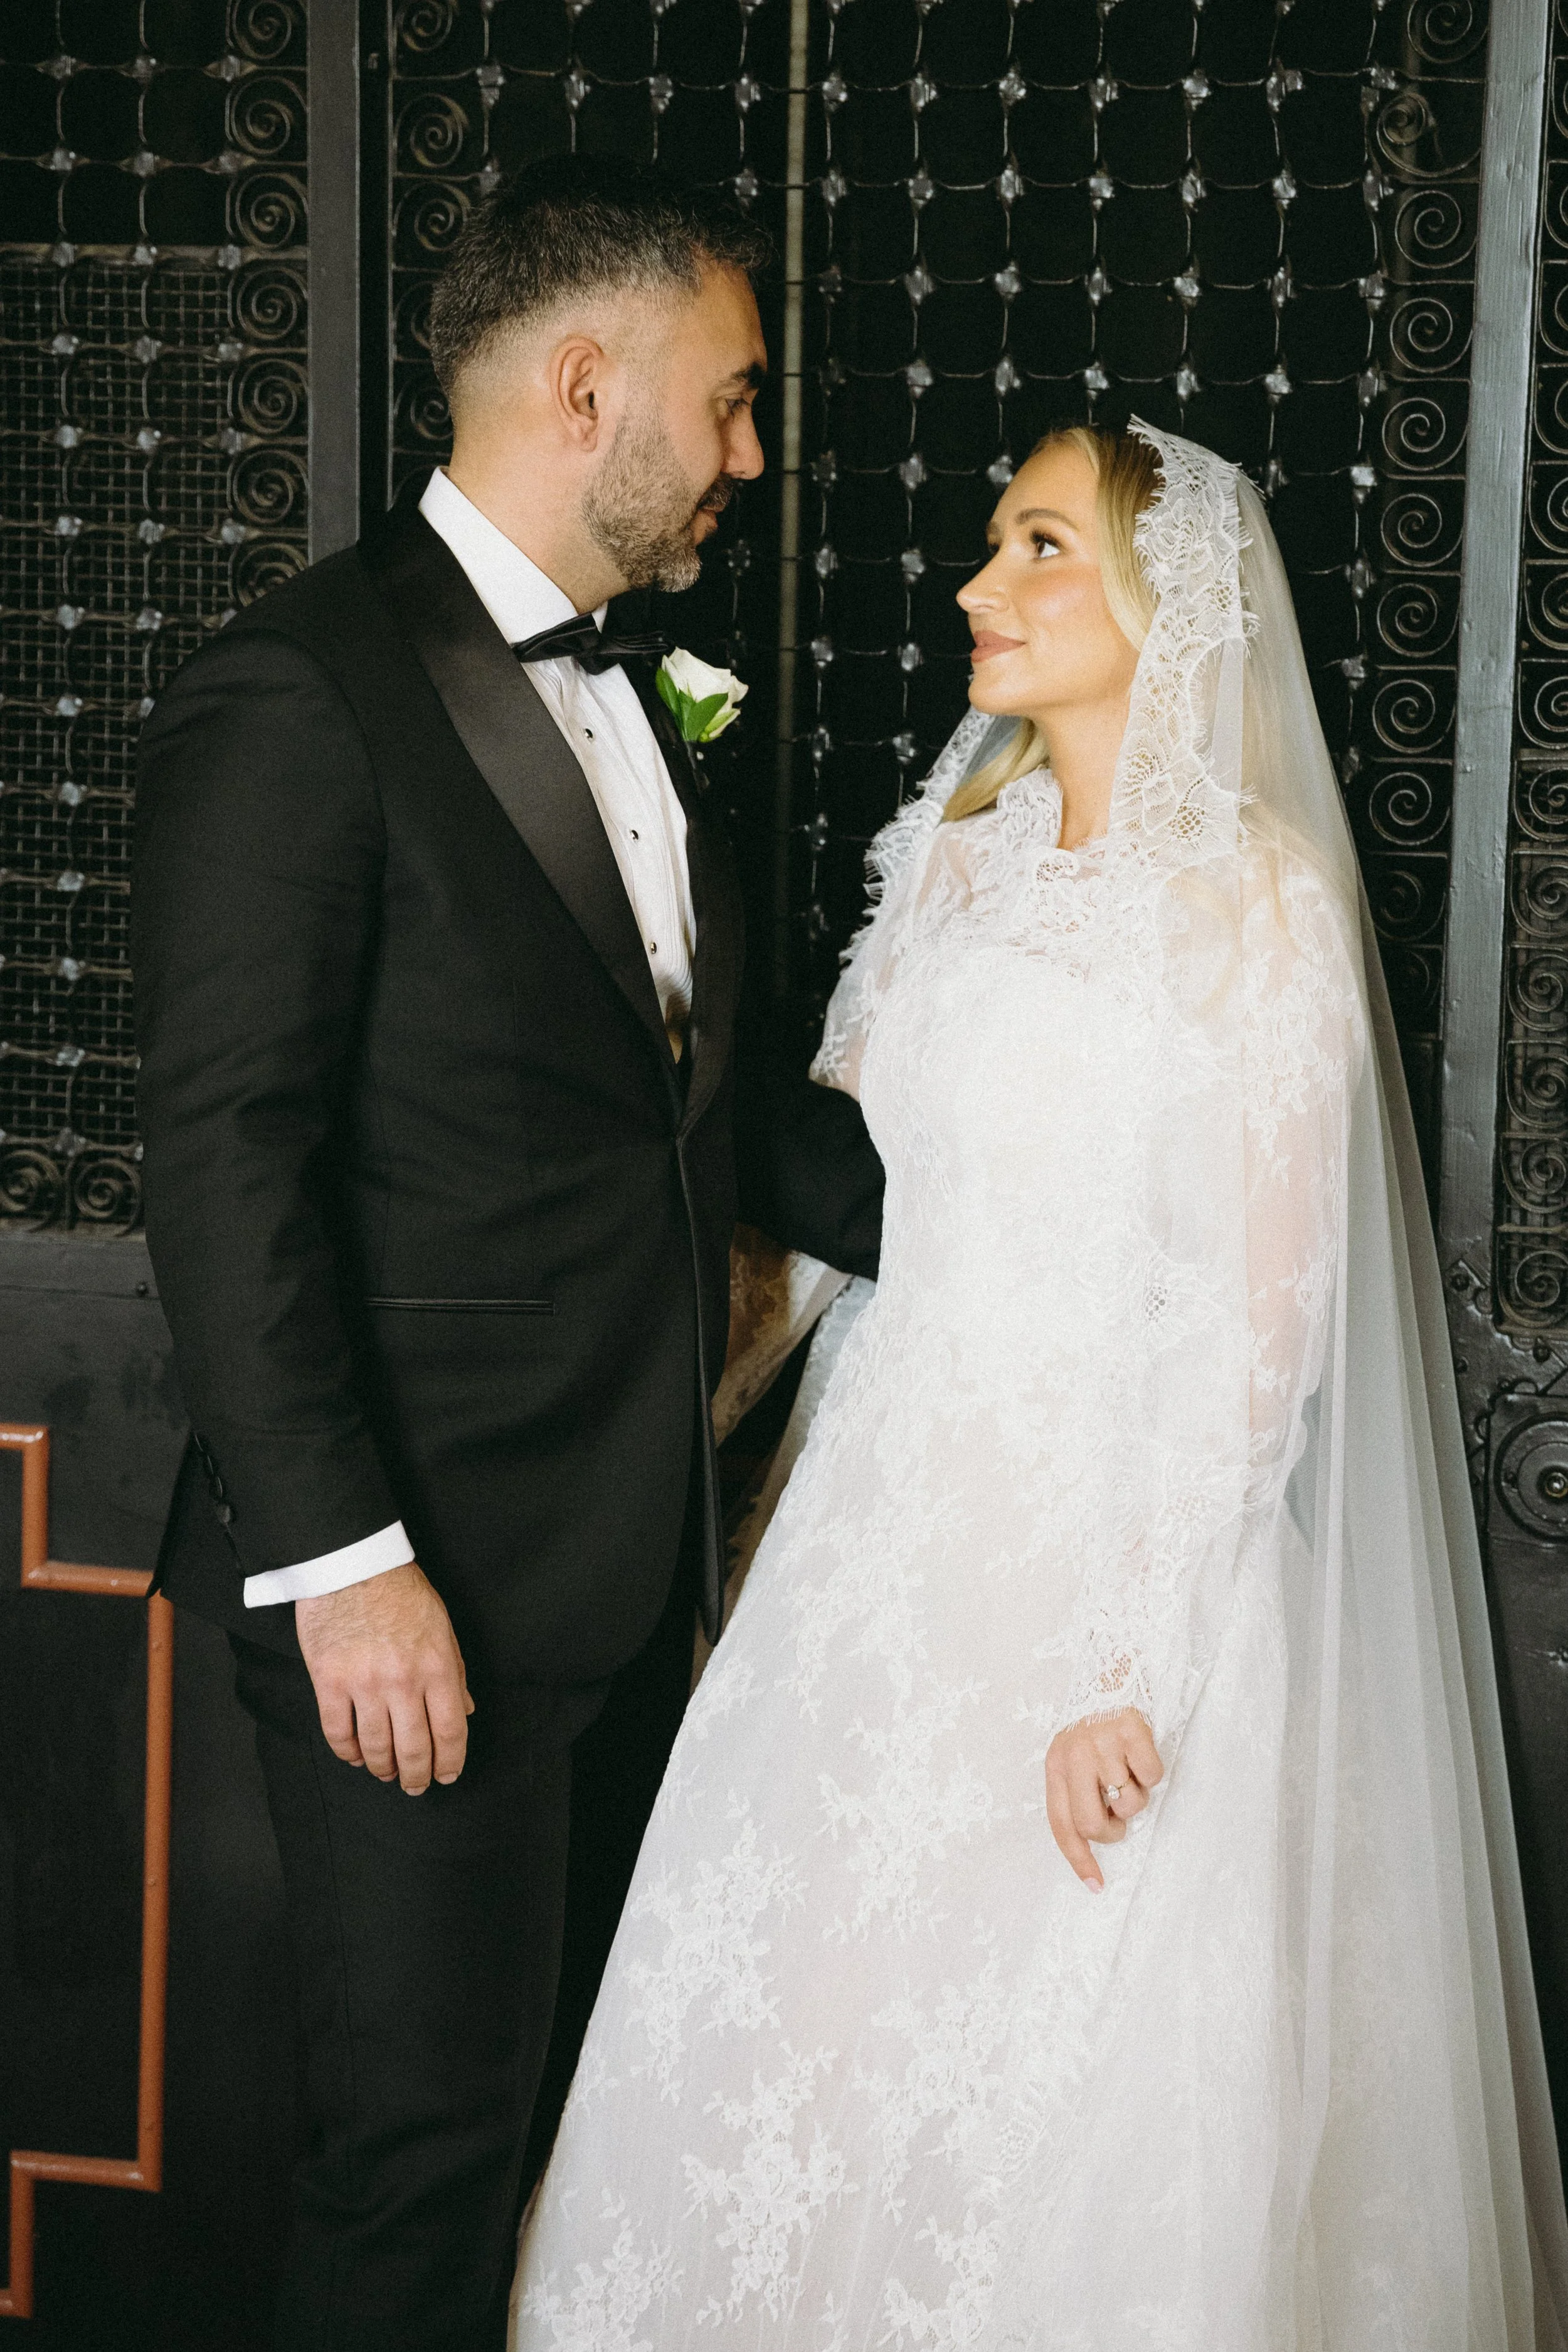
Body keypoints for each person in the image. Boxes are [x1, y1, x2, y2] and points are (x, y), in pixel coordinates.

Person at [511, 422, 1568, 2347]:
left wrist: (1125, 1654)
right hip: (873, 1540)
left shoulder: (1255, 906)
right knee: (794, 2050)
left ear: (1169, 613)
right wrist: (683, 1456)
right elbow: (839, 1202)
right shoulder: (951, 859)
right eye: (995, 543)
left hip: (1102, 1564)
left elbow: (1265, 1317)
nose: (977, 586)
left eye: (1038, 546)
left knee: (1058, 2094)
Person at [132, 158, 881, 2352]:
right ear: (586, 385)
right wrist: (348, 1559)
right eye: (731, 402)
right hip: (418, 1594)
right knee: (421, 2172)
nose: (754, 454)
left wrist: (1048, 1206)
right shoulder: (299, 696)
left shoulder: (645, 691)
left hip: (637, 1572)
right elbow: (225, 1155)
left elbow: (704, 1106)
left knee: (590, 2143)